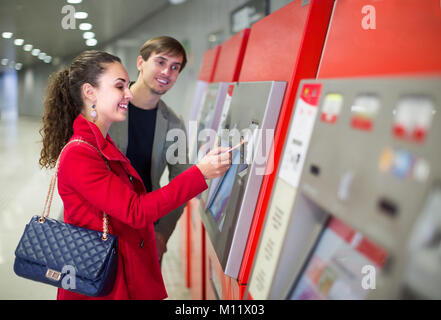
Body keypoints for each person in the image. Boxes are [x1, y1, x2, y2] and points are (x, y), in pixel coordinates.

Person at [39, 50, 231, 300]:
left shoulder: (101, 144)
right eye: (120, 86)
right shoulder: (80, 153)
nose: (129, 94)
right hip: (102, 285)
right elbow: (135, 211)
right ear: (90, 92)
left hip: (120, 274)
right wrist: (200, 173)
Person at [109, 36, 191, 264]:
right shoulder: (108, 108)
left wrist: (162, 233)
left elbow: (181, 183)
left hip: (144, 231)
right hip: (97, 225)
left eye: (175, 67)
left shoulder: (174, 124)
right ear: (140, 63)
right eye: (161, 62)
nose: (167, 72)